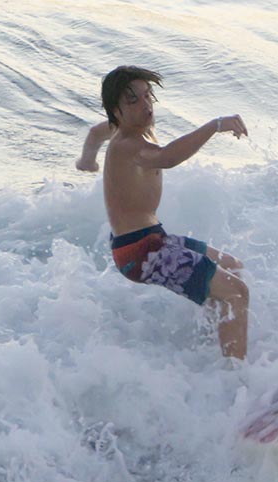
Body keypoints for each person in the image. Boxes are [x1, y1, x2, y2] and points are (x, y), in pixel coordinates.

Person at [76, 66, 249, 360]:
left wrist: (86, 160)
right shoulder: (129, 144)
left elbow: (94, 133)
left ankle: (218, 344)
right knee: (238, 292)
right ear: (116, 111)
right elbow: (166, 157)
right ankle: (237, 378)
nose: (145, 106)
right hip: (141, 252)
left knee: (232, 268)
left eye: (148, 96)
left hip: (153, 241)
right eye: (133, 101)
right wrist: (215, 125)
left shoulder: (119, 128)